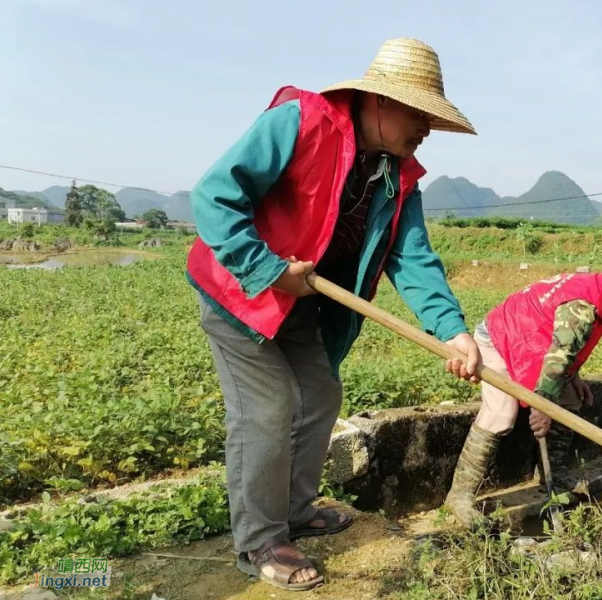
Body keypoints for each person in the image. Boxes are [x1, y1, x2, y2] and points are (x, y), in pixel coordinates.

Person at [186, 38, 482, 591]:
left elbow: (412, 256)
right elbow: (214, 195)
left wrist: (454, 330)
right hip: (239, 292)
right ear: (382, 101)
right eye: (421, 114)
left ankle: (295, 512)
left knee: (320, 393)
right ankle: (260, 540)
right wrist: (267, 268)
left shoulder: (399, 176)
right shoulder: (300, 122)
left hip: (301, 299)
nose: (426, 130)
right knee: (267, 407)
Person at [444, 260, 602, 526]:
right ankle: (459, 495)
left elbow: (561, 342)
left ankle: (553, 474)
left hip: (525, 342)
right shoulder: (582, 305)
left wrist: (573, 376)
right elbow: (559, 356)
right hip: (499, 340)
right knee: (501, 413)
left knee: (571, 399)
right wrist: (542, 406)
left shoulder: (589, 288)